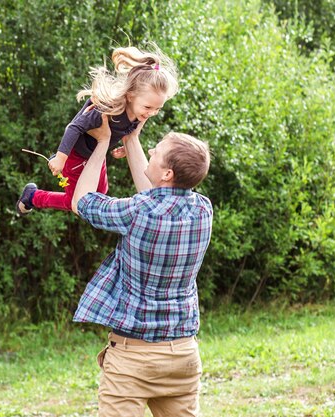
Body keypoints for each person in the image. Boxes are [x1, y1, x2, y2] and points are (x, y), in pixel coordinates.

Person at [70, 114, 213, 417]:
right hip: (183, 356)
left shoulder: (138, 211)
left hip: (133, 360)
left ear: (168, 173)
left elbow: (81, 201)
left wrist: (102, 143)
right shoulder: (202, 209)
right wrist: (130, 138)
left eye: (157, 152)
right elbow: (155, 196)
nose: (151, 152)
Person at [16, 44, 178, 215]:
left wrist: (125, 148)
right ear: (130, 95)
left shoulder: (139, 114)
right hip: (76, 154)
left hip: (94, 154)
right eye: (148, 107)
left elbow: (129, 132)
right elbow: (73, 127)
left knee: (100, 194)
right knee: (77, 204)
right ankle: (33, 196)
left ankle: (55, 175)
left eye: (157, 109)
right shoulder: (107, 111)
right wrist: (62, 158)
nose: (151, 113)